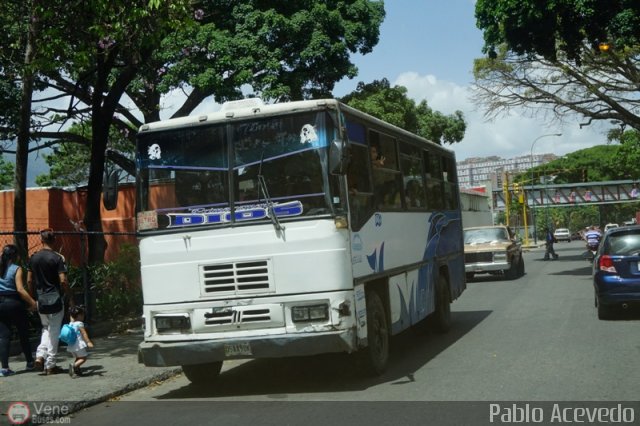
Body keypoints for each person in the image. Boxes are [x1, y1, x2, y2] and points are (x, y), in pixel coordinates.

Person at [27, 229, 73, 375]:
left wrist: (33, 296)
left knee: (45, 328)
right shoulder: (58, 258)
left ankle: (40, 355)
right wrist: (69, 295)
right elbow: (63, 280)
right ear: (54, 240)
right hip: (55, 299)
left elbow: (29, 280)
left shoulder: (33, 258)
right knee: (54, 331)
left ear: (41, 240)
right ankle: (50, 364)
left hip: (41, 299)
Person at [0, 245, 37, 376]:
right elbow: (20, 289)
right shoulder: (16, 269)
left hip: (1, 303)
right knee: (23, 332)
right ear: (15, 256)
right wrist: (33, 303)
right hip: (14, 303)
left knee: (4, 335)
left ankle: (4, 368)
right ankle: (30, 363)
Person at [66, 305, 93, 377]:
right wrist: (88, 342)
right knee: (83, 358)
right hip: (78, 345)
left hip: (71, 346)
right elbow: (84, 333)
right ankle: (74, 365)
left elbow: (71, 317)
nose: (83, 317)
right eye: (82, 315)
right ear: (79, 316)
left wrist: (72, 312)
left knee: (78, 358)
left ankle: (76, 370)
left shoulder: (71, 323)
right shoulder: (79, 323)